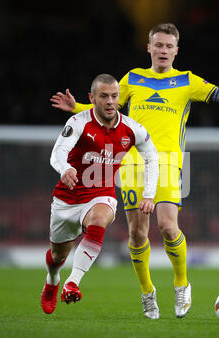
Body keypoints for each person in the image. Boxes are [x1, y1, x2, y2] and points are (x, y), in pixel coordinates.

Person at [50, 23, 219, 319]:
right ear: (149, 48)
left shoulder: (187, 81)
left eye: (168, 46)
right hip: (132, 163)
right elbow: (106, 109)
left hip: (171, 162)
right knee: (136, 234)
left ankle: (182, 283)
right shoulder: (132, 78)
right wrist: (77, 107)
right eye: (157, 45)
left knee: (168, 226)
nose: (163, 50)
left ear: (176, 50)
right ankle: (148, 293)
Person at [41, 74, 159, 315]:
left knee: (100, 219)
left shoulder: (132, 129)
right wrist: (66, 169)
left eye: (115, 96)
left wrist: (149, 194)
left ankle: (72, 282)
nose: (110, 101)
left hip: (101, 195)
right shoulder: (79, 122)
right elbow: (57, 153)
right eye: (104, 96)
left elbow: (152, 157)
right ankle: (52, 281)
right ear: (92, 98)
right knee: (57, 256)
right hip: (67, 198)